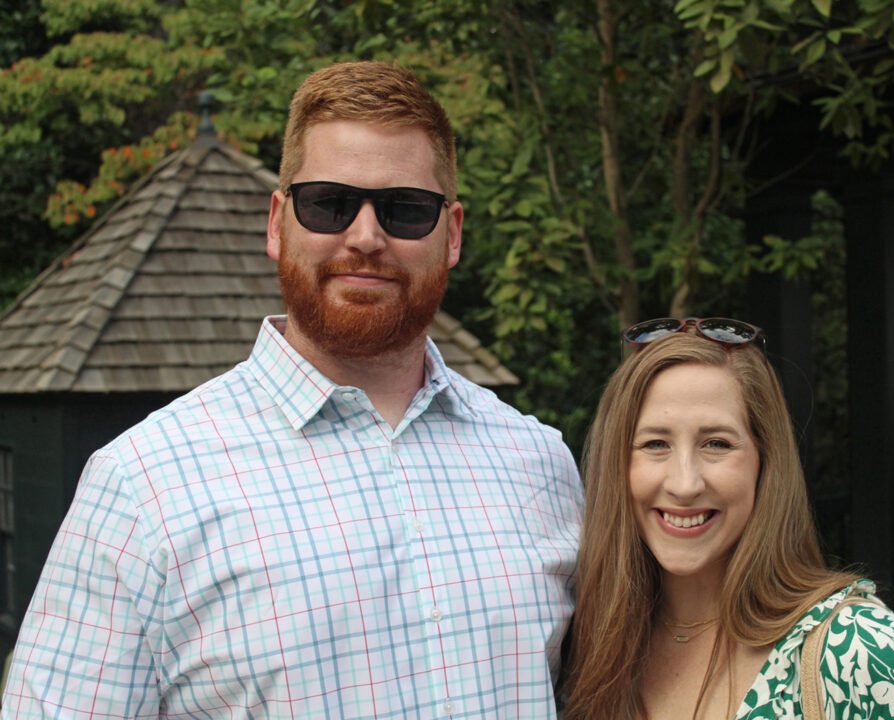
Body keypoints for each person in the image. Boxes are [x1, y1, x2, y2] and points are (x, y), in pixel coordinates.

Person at [2, 61, 582, 719]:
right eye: (329, 203)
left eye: (406, 210)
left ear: (451, 234)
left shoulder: (541, 466)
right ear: (278, 223)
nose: (366, 237)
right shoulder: (143, 487)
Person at [560, 317, 894, 719]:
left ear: (765, 461)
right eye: (655, 444)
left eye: (717, 443)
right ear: (617, 464)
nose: (685, 484)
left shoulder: (859, 651)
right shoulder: (588, 651)